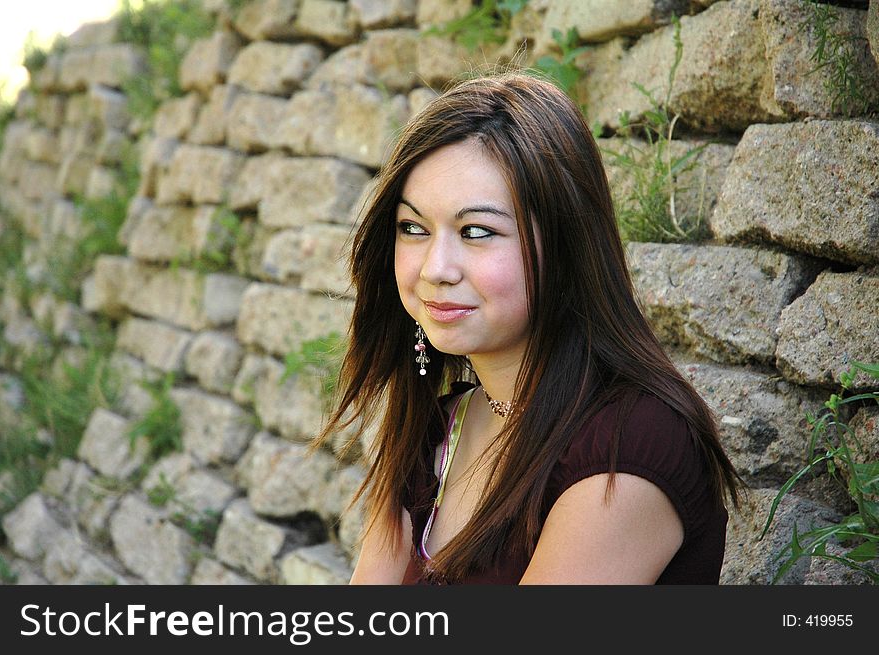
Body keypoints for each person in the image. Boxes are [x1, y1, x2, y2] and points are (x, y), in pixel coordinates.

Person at [316, 72, 742, 584]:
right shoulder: (432, 428)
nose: (435, 268)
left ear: (565, 245)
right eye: (413, 228)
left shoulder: (628, 445)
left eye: (477, 231)